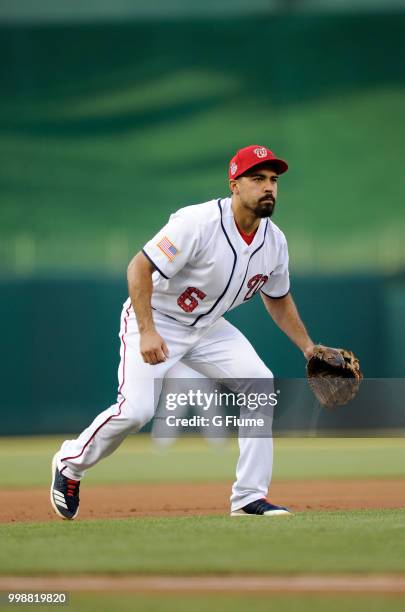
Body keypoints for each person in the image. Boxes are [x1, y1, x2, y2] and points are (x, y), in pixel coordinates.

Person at [50, 144, 315, 519]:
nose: (268, 187)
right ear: (234, 184)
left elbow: (278, 297)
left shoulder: (275, 241)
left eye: (273, 180)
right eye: (257, 178)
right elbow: (138, 268)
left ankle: (248, 497)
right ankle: (70, 462)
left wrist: (308, 347)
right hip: (156, 318)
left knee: (259, 383)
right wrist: (147, 331)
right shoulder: (198, 223)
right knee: (136, 411)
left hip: (207, 328)